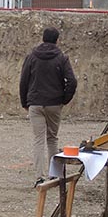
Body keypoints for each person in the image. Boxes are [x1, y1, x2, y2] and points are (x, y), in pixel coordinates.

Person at [19, 27, 77, 186]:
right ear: (57, 40)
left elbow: (23, 81)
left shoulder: (31, 57)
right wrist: (64, 99)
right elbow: (72, 81)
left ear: (43, 38)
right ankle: (55, 175)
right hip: (54, 104)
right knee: (52, 139)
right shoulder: (62, 58)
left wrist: (25, 102)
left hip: (35, 103)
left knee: (38, 140)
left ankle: (39, 177)